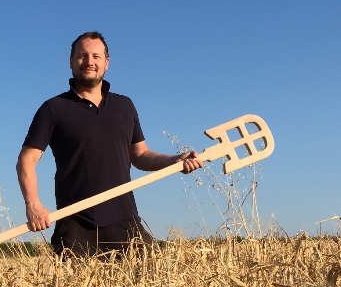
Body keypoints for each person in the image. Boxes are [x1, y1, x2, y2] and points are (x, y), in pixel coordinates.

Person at [17, 32, 203, 257]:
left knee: (155, 281)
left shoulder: (124, 106)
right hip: (76, 224)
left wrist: (174, 160)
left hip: (125, 219)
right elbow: (27, 160)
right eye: (82, 56)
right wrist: (33, 204)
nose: (89, 62)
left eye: (96, 56)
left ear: (106, 63)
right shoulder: (53, 109)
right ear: (71, 61)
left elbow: (140, 155)